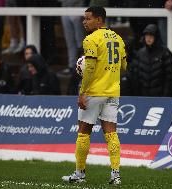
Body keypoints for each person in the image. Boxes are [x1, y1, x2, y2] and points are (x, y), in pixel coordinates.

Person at [62, 6, 127, 185]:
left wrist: (82, 92)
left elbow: (89, 69)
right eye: (84, 18)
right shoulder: (118, 38)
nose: (84, 22)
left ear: (99, 20)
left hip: (94, 92)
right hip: (113, 92)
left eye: (88, 18)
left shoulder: (91, 39)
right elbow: (124, 66)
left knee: (83, 132)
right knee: (111, 133)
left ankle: (79, 174)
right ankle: (115, 174)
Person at [127, 24, 172, 96]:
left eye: (151, 36)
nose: (148, 38)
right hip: (144, 98)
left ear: (156, 37)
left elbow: (170, 78)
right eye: (146, 36)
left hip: (161, 98)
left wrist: (166, 97)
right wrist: (138, 96)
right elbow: (135, 77)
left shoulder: (165, 53)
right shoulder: (140, 54)